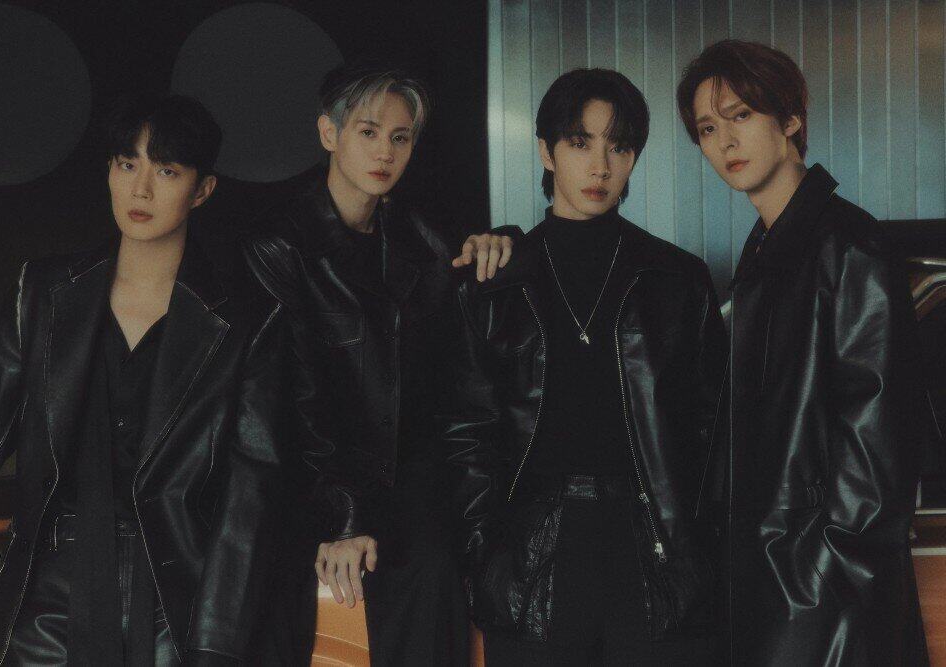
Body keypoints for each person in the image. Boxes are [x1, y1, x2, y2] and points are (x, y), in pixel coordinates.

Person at [0, 93, 286, 665]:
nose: (141, 190)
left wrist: (215, 644)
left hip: (175, 600)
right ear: (109, 171)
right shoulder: (44, 292)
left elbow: (249, 500)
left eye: (166, 171)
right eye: (128, 164)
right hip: (48, 591)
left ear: (202, 190)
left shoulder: (245, 323)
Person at [440, 67, 728, 666]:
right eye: (580, 143)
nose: (600, 166)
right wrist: (484, 559)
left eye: (618, 147)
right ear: (546, 152)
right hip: (532, 555)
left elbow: (716, 428)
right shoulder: (495, 283)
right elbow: (467, 434)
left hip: (656, 550)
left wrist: (701, 550)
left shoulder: (677, 278)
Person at [244, 63, 517, 666]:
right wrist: (344, 517)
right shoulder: (281, 245)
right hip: (308, 483)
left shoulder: (425, 241)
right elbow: (298, 403)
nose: (385, 152)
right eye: (368, 132)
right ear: (329, 133)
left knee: (437, 564)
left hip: (405, 481)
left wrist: (502, 245)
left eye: (400, 137)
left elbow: (455, 385)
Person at [677, 39, 930, 665]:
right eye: (707, 128)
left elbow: (878, 452)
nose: (725, 141)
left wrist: (820, 575)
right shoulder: (766, 254)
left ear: (790, 118)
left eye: (740, 115)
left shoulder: (849, 246)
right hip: (770, 585)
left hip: (821, 596)